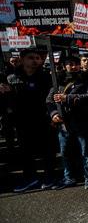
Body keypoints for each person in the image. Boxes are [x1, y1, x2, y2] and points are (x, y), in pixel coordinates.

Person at [7, 49, 55, 192]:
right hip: (22, 122)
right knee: (25, 152)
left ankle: (49, 177)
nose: (35, 60)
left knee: (47, 150)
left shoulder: (46, 77)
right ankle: (30, 179)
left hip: (42, 120)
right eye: (30, 58)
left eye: (37, 58)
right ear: (22, 59)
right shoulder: (12, 78)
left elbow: (51, 97)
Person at [48, 55, 88, 190]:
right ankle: (68, 177)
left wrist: (67, 98)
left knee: (86, 152)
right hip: (64, 124)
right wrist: (54, 114)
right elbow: (49, 101)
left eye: (76, 63)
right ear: (64, 66)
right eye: (69, 63)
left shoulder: (87, 78)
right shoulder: (57, 80)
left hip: (82, 122)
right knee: (65, 153)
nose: (73, 66)